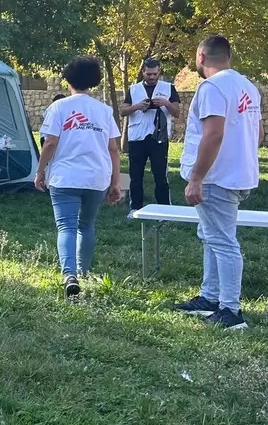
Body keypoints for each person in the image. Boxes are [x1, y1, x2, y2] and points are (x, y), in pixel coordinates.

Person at [173, 36, 262, 330]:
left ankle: (231, 310)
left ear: (200, 56)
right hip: (239, 175)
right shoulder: (248, 87)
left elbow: (213, 134)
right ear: (229, 56)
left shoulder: (212, 88)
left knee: (223, 241)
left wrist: (197, 177)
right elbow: (258, 134)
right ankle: (211, 298)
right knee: (212, 236)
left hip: (216, 177)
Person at [35, 56, 122, 298]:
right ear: (94, 81)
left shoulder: (59, 107)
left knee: (66, 226)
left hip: (65, 177)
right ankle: (84, 272)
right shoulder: (104, 111)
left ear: (67, 79)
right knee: (87, 226)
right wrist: (116, 182)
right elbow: (113, 149)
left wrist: (40, 171)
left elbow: (50, 142)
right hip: (97, 178)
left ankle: (69, 275)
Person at [119, 57, 181, 214]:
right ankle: (135, 207)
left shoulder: (168, 88)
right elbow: (123, 111)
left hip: (159, 136)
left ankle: (164, 209)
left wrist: (165, 103)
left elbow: (177, 113)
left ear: (159, 71)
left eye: (155, 74)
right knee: (135, 175)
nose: (152, 77)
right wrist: (138, 106)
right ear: (143, 72)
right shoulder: (133, 89)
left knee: (161, 175)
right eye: (148, 74)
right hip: (137, 137)